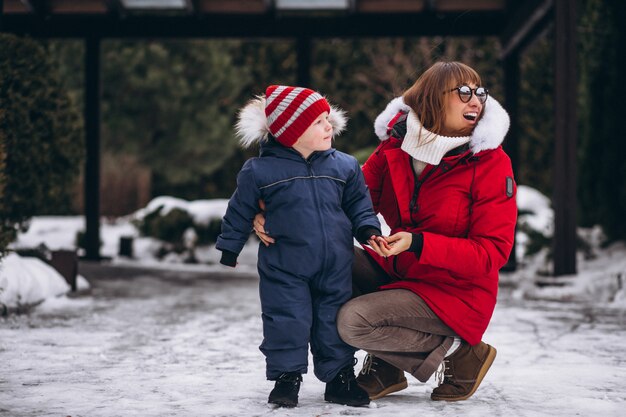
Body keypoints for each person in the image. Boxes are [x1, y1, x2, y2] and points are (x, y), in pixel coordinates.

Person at [253, 62, 517, 402]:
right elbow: (343, 198)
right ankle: (387, 367)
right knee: (324, 256)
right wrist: (271, 213)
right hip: (402, 270)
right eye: (463, 92)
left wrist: (418, 243)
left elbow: (492, 253)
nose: (476, 101)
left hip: (456, 292)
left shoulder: (490, 162)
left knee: (352, 322)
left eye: (480, 92)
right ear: (433, 99)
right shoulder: (395, 147)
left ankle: (459, 352)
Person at [216, 85, 384, 408]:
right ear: (291, 131)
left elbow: (359, 205)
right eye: (319, 121)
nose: (329, 126)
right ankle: (286, 377)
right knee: (286, 319)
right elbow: (239, 208)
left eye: (328, 119)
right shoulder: (260, 171)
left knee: (332, 320)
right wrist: (230, 246)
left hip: (335, 264)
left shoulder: (344, 166)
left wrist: (368, 230)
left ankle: (340, 379)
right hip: (285, 267)